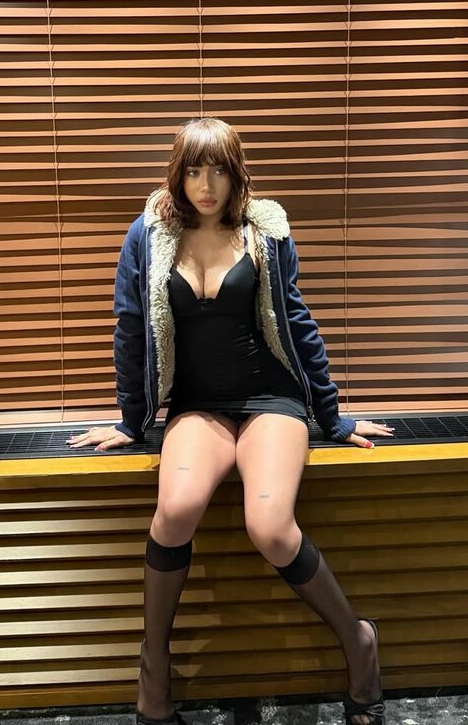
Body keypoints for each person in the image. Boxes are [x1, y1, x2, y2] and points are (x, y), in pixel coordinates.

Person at [68, 118, 394, 725]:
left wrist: (333, 416)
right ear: (177, 175)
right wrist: (132, 422)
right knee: (175, 512)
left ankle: (358, 639)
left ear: (236, 173)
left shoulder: (265, 232)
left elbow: (297, 322)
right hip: (197, 404)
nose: (206, 184)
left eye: (217, 169)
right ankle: (154, 666)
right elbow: (130, 329)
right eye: (193, 170)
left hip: (271, 399)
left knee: (270, 527)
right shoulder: (149, 235)